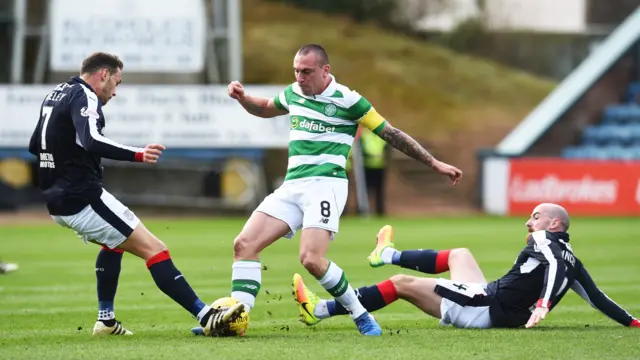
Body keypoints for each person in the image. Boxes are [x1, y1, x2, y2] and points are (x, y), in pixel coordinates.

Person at [193, 44, 463, 336]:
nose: (300, 77)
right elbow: (266, 108)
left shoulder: (349, 100)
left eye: (306, 71)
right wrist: (244, 98)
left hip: (326, 185)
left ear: (325, 70)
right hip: (292, 186)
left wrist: (434, 162)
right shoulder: (294, 92)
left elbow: (391, 134)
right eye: (296, 71)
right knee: (243, 246)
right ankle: (236, 321)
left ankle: (360, 315)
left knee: (311, 259)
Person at [28, 52, 244, 337]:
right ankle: (206, 316)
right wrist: (138, 153)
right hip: (82, 197)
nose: (115, 91)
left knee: (113, 244)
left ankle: (105, 321)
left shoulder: (57, 93)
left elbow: (35, 145)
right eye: (117, 82)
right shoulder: (85, 96)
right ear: (103, 74)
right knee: (155, 249)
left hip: (57, 199)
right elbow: (92, 140)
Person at [293, 203, 640, 329]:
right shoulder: (572, 259)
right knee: (460, 254)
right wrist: (632, 321)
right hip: (489, 298)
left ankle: (320, 309)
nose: (527, 223)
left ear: (553, 225)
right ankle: (387, 254)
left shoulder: (545, 243)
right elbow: (597, 298)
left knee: (400, 284)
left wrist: (544, 305)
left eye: (535, 217)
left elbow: (552, 266)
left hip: (484, 307)